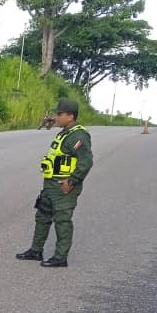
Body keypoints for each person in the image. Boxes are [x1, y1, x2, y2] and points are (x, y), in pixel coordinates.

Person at [15, 97, 93, 267]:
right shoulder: (64, 132)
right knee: (42, 216)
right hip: (50, 184)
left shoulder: (79, 136)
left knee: (62, 220)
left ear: (70, 116)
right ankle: (36, 250)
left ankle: (60, 257)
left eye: (60, 114)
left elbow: (86, 162)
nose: (56, 117)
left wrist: (72, 182)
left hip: (64, 186)